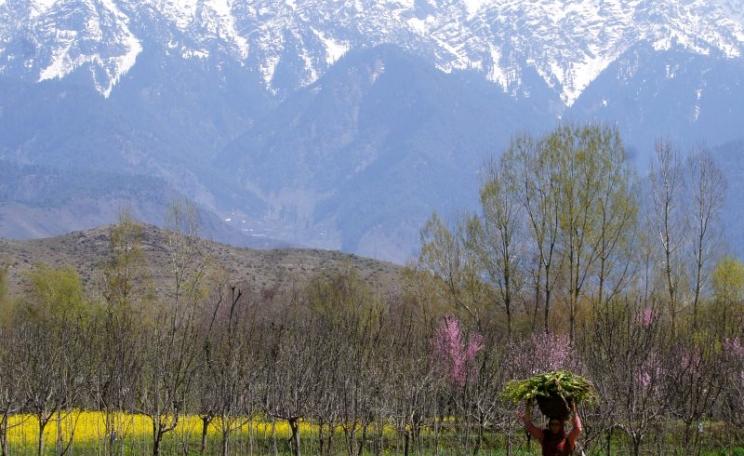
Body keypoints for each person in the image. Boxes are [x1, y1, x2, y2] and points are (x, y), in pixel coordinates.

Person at [518, 401, 582, 456]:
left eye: (557, 424)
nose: (554, 427)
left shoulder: (567, 441)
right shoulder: (545, 437)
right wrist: (528, 405)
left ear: (561, 426)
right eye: (552, 424)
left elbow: (578, 429)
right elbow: (531, 428)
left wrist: (574, 411)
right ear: (549, 425)